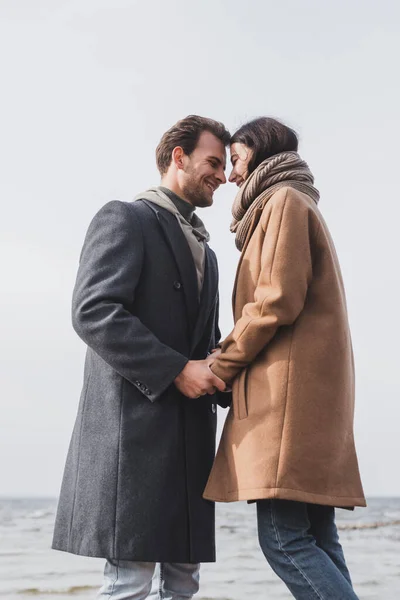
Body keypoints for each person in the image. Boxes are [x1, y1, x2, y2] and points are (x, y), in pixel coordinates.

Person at [52, 115, 232, 599]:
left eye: (227, 164)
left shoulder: (209, 254)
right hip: (134, 441)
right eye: (213, 161)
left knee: (184, 583)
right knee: (129, 584)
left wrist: (229, 374)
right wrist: (176, 370)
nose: (223, 173)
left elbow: (207, 341)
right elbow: (93, 311)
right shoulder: (125, 217)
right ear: (179, 157)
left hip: (191, 444)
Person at [203, 117, 366, 599]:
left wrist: (221, 363)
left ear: (255, 150)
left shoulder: (282, 202)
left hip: (286, 401)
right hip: (308, 399)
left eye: (233, 159)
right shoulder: (296, 201)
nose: (231, 174)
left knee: (284, 540)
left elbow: (275, 300)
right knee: (316, 537)